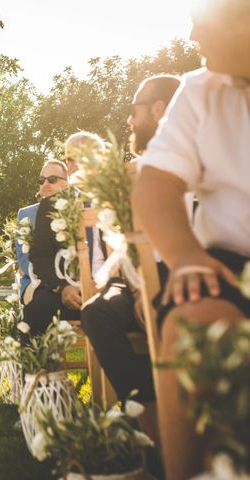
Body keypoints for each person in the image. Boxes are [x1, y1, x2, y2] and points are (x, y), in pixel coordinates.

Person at [132, 2, 250, 478]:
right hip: (226, 261)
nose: (194, 27)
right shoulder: (199, 89)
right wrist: (185, 258)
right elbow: (156, 184)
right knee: (193, 316)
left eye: (209, 12)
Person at [81, 74, 180, 460]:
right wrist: (140, 288)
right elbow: (125, 238)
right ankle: (149, 426)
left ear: (158, 110)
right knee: (97, 312)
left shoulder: (193, 162)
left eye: (134, 110)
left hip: (180, 274)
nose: (129, 120)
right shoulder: (132, 173)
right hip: (136, 277)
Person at [24, 160, 80, 334]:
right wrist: (62, 287)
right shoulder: (46, 208)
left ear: (68, 180)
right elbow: (38, 256)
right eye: (42, 180)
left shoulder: (100, 200)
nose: (46, 184)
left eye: (52, 179)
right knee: (37, 309)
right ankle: (35, 359)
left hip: (97, 282)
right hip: (57, 282)